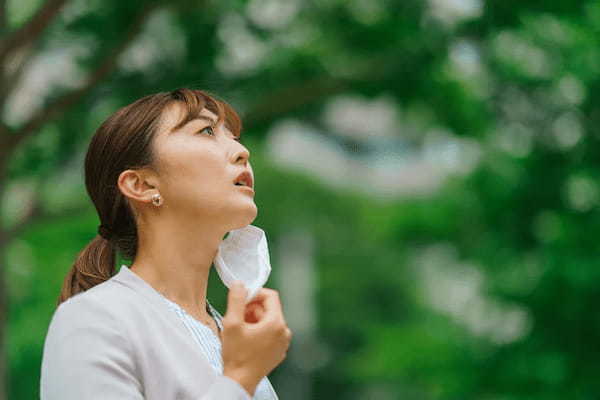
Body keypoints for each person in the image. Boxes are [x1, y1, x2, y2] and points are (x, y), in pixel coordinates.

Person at [40, 88, 292, 399]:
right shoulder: (95, 320)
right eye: (207, 131)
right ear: (142, 184)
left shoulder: (231, 335)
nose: (242, 152)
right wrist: (240, 377)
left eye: (234, 137)